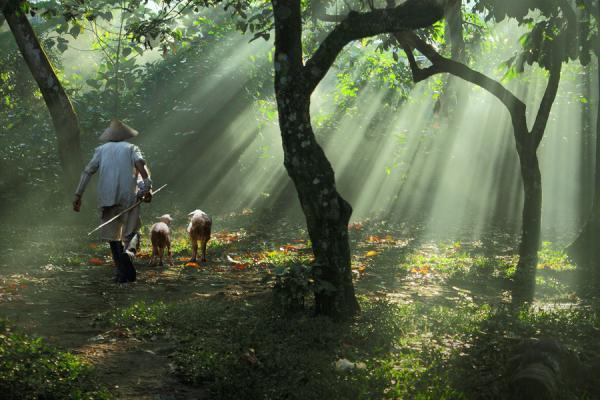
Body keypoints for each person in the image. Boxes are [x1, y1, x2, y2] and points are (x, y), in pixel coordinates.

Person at [73, 119, 152, 283]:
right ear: (125, 136)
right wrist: (147, 188)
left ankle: (121, 273)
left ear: (109, 136)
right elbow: (141, 167)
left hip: (107, 197)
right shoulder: (131, 148)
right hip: (129, 196)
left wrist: (78, 195)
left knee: (112, 235)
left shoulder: (101, 150)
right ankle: (128, 253)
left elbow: (88, 171)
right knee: (132, 231)